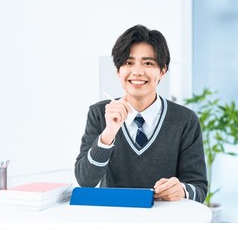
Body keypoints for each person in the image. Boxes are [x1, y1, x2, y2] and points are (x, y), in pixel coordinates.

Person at [74, 24, 207, 203]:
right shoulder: (99, 113)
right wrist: (109, 134)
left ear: (162, 71)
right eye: (129, 63)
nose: (137, 71)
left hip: (165, 219)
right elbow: (85, 181)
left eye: (148, 63)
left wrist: (181, 190)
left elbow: (199, 188)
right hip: (114, 219)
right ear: (118, 71)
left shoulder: (185, 119)